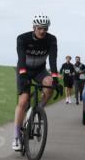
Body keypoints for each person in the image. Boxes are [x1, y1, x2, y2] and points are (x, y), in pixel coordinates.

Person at [13, 16, 60, 152]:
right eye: (39, 28)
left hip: (40, 71)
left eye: (45, 29)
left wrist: (56, 78)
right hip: (24, 70)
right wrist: (23, 75)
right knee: (23, 101)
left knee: (50, 83)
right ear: (34, 28)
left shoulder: (51, 39)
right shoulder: (23, 38)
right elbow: (21, 58)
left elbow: (53, 60)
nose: (42, 31)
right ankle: (16, 136)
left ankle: (38, 109)